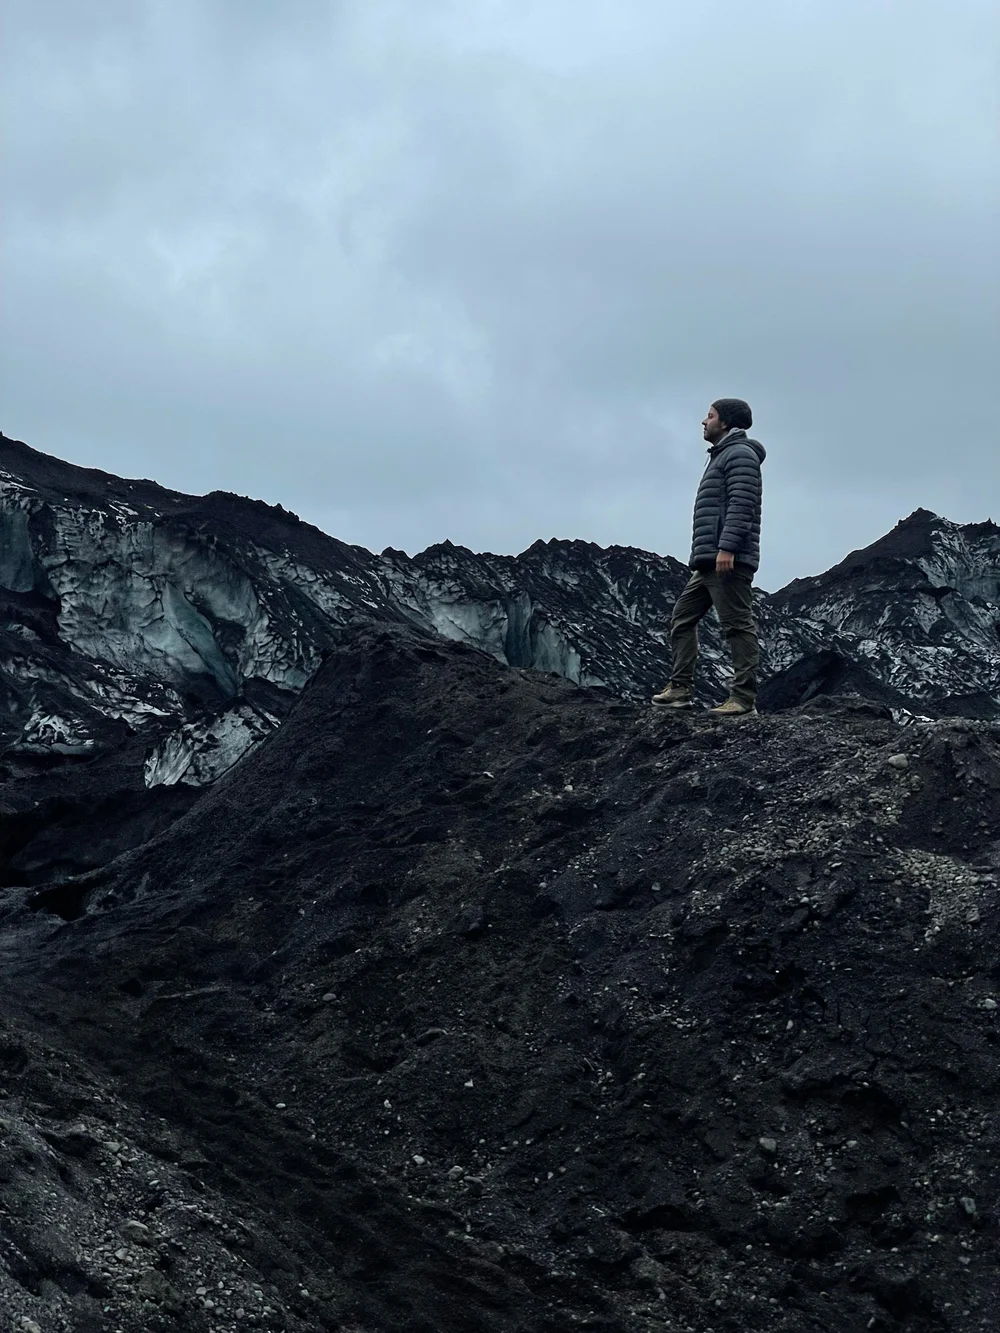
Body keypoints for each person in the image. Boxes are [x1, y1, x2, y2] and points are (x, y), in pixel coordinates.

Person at [652, 398, 765, 716]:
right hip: (708, 560)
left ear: (725, 422)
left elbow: (742, 503)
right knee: (682, 619)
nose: (704, 421)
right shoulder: (721, 455)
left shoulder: (740, 454)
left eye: (710, 415)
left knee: (737, 625)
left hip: (727, 558)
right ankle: (680, 689)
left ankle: (743, 700)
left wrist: (728, 548)